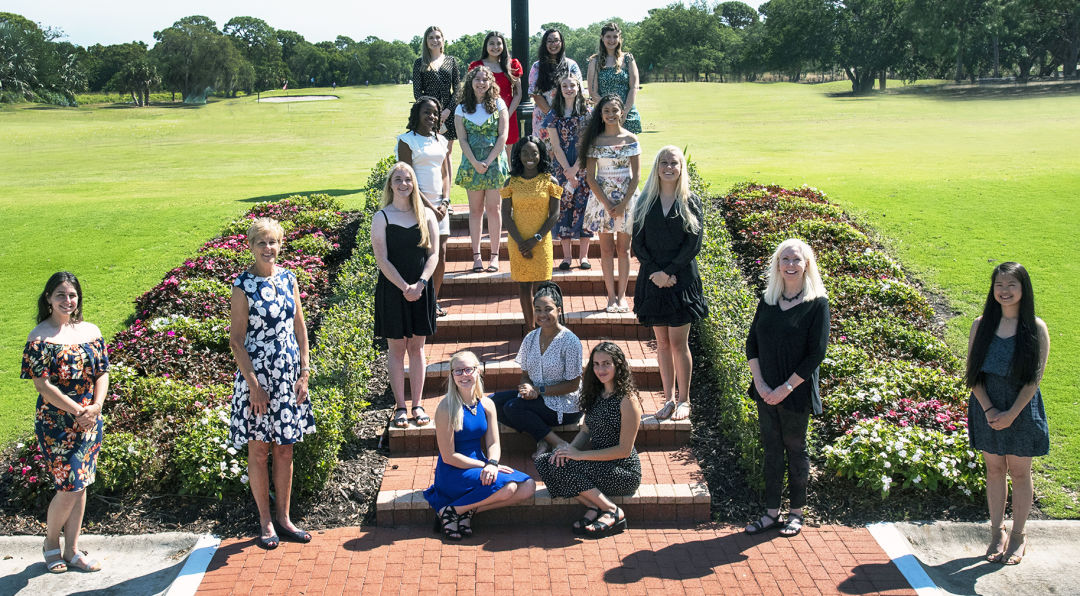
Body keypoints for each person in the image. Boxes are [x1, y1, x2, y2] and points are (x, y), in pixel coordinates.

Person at [228, 219, 317, 549]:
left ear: (281, 246)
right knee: (259, 448)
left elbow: (300, 328)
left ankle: (284, 518)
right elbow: (236, 341)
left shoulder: (289, 278)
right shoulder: (243, 286)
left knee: (285, 449)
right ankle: (265, 522)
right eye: (262, 243)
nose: (268, 248)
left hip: (289, 379)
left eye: (273, 242)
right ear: (251, 246)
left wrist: (305, 372)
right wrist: (254, 386)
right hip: (258, 380)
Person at [22, 272, 108, 572]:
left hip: (89, 420)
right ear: (48, 298)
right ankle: (50, 543)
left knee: (80, 484)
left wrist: (95, 407)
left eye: (72, 295)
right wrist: (78, 411)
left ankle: (71, 550)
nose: (67, 301)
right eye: (60, 295)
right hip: (57, 423)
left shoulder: (90, 330)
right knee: (69, 485)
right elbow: (43, 386)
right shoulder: (40, 337)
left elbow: (102, 372)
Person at [743, 239, 829, 538]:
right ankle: (770, 513)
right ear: (777, 265)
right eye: (785, 259)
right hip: (765, 390)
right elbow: (751, 343)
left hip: (796, 393)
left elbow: (816, 354)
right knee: (771, 451)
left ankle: (796, 512)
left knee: (795, 449)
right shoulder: (767, 300)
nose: (790, 265)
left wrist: (785, 388)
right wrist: (761, 383)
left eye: (796, 260)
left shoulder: (817, 304)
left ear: (807, 265)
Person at [965, 262, 1049, 565]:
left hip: (1021, 409)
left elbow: (1034, 380)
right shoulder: (981, 324)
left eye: (1012, 284)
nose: (1005, 291)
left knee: (1020, 471)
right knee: (995, 470)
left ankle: (1018, 536)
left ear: (1023, 289)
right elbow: (972, 374)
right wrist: (989, 408)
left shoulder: (1035, 328)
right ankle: (996, 533)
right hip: (987, 406)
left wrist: (1012, 413)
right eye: (999, 285)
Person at [535, 342, 643, 538]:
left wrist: (579, 456)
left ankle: (612, 511)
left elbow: (624, 450)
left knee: (567, 467)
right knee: (547, 461)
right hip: (596, 464)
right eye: (596, 364)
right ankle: (594, 505)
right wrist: (568, 451)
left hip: (622, 470)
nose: (600, 369)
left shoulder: (628, 400)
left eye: (606, 364)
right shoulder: (596, 394)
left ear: (618, 365)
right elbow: (585, 432)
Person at [631, 146, 708, 421]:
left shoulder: (691, 201)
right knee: (661, 344)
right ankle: (668, 400)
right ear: (656, 167)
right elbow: (637, 243)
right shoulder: (644, 201)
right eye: (663, 162)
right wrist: (656, 273)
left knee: (678, 343)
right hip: (653, 281)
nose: (668, 167)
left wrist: (670, 272)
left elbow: (693, 243)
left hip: (681, 281)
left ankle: (685, 400)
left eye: (673, 163)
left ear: (680, 167)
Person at [425, 351, 536, 540]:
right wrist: (485, 466)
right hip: (454, 470)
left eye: (468, 369)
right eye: (458, 371)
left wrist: (492, 462)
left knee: (528, 486)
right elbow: (449, 456)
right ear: (452, 375)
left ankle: (460, 510)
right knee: (508, 488)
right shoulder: (446, 407)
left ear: (478, 372)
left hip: (481, 464)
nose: (464, 375)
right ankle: (452, 511)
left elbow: (493, 443)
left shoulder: (486, 404)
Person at [373, 163, 441, 430]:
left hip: (421, 288)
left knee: (417, 347)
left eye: (408, 179)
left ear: (414, 183)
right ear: (390, 184)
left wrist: (421, 284)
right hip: (393, 289)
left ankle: (418, 404)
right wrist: (404, 287)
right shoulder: (382, 217)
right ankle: (401, 406)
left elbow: (433, 254)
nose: (403, 183)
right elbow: (382, 259)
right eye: (398, 179)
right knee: (396, 348)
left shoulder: (426, 215)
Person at [490, 283, 583, 458]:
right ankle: (541, 436)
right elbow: (525, 376)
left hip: (565, 404)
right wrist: (526, 387)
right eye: (538, 309)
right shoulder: (530, 338)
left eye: (548, 309)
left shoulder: (570, 341)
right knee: (491, 403)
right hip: (536, 397)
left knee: (513, 408)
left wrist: (538, 391)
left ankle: (558, 443)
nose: (542, 315)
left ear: (559, 310)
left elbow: (573, 384)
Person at [580, 94, 640, 313]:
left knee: (623, 250)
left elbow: (636, 177)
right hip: (601, 200)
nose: (611, 115)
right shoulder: (595, 141)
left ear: (622, 112)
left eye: (614, 110)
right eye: (606, 111)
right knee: (606, 250)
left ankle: (622, 296)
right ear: (601, 115)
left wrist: (623, 204)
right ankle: (611, 297)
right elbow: (591, 177)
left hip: (627, 199)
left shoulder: (631, 139)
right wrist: (606, 203)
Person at [397, 96, 452, 317]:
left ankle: (432, 302)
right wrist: (429, 206)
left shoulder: (441, 140)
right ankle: (418, 300)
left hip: (441, 207)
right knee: (421, 255)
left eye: (435, 113)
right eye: (427, 112)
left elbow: (446, 173)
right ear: (417, 114)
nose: (432, 116)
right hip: (416, 205)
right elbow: (407, 179)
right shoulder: (406, 141)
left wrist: (445, 202)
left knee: (441, 255)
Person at [501, 136, 562, 328]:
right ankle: (530, 329)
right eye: (524, 153)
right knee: (524, 285)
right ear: (517, 155)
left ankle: (544, 328)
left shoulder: (550, 180)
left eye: (534, 152)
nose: (529, 157)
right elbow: (505, 214)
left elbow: (555, 214)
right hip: (518, 241)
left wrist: (535, 239)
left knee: (542, 288)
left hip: (541, 241)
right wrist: (521, 242)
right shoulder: (510, 182)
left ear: (540, 154)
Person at [454, 66, 510, 274]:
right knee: (475, 210)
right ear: (471, 82)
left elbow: (502, 136)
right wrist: (476, 163)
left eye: (485, 79)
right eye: (477, 79)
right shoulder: (462, 108)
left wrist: (488, 160)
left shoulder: (498, 104)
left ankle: (494, 256)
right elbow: (462, 139)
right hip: (471, 163)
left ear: (490, 83)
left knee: (494, 209)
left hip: (494, 162)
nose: (481, 83)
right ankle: (476, 256)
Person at [543, 75, 593, 271]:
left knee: (584, 207)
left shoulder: (587, 112)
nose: (569, 88)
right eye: (565, 86)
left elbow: (588, 143)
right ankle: (567, 257)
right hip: (562, 168)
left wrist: (576, 169)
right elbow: (555, 146)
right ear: (560, 89)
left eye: (572, 85)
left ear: (578, 87)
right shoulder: (554, 114)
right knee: (563, 208)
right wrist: (568, 171)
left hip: (583, 167)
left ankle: (584, 257)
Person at [412, 26, 462, 173]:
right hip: (428, 115)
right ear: (426, 41)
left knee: (446, 153)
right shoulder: (419, 62)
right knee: (430, 152)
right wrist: (431, 112)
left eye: (437, 37)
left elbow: (458, 89)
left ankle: (445, 193)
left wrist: (447, 111)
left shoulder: (451, 61)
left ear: (443, 40)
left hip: (448, 113)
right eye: (431, 38)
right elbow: (417, 92)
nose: (435, 40)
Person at [469, 31, 523, 154]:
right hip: (483, 114)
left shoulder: (512, 65)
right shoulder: (477, 65)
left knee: (507, 152)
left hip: (508, 113)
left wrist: (506, 116)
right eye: (491, 43)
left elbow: (518, 93)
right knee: (485, 150)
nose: (495, 47)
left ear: (504, 46)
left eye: (499, 43)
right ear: (486, 46)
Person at [528, 28, 582, 145]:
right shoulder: (537, 66)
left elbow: (579, 91)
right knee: (544, 155)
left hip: (568, 116)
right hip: (543, 118)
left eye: (556, 40)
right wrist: (553, 117)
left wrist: (563, 118)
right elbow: (536, 95)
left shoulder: (571, 65)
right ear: (545, 44)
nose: (553, 44)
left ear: (561, 43)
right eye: (550, 41)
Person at [586, 23, 641, 134]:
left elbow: (634, 87)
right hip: (604, 115)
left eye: (615, 36)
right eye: (608, 37)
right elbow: (593, 92)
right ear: (602, 38)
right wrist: (609, 112)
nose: (612, 40)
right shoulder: (595, 61)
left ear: (619, 38)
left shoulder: (628, 59)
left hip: (627, 113)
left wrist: (623, 112)